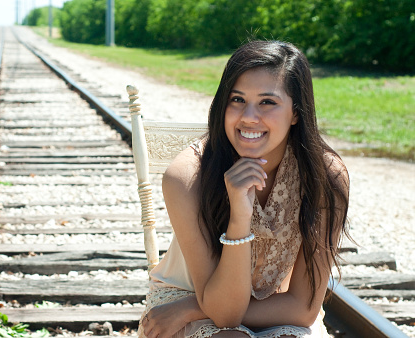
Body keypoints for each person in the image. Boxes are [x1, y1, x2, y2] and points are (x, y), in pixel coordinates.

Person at [138, 40, 350, 338]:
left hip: (270, 305)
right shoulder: (187, 176)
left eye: (267, 102)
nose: (248, 116)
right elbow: (226, 315)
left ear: (296, 113)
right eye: (237, 100)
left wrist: (191, 307)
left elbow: (303, 308)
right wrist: (239, 217)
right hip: (182, 296)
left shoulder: (324, 177)